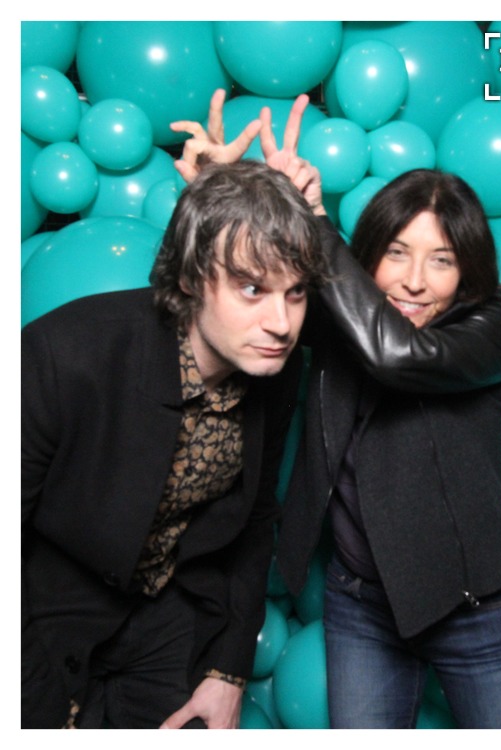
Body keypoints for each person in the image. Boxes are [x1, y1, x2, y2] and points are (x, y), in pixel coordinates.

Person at [174, 91, 501, 729]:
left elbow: (397, 355)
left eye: (442, 260)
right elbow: (241, 293)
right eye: (396, 252)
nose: (414, 280)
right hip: (360, 603)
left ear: (468, 270)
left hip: (474, 607)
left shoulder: (496, 324)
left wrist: (318, 219)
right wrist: (226, 196)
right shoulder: (340, 314)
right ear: (368, 253)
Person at [21, 157, 327, 729]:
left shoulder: (273, 367)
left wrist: (229, 668)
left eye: (296, 293)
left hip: (171, 619)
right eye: (252, 288)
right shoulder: (61, 355)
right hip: (41, 616)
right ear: (189, 277)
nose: (282, 323)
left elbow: (255, 521)